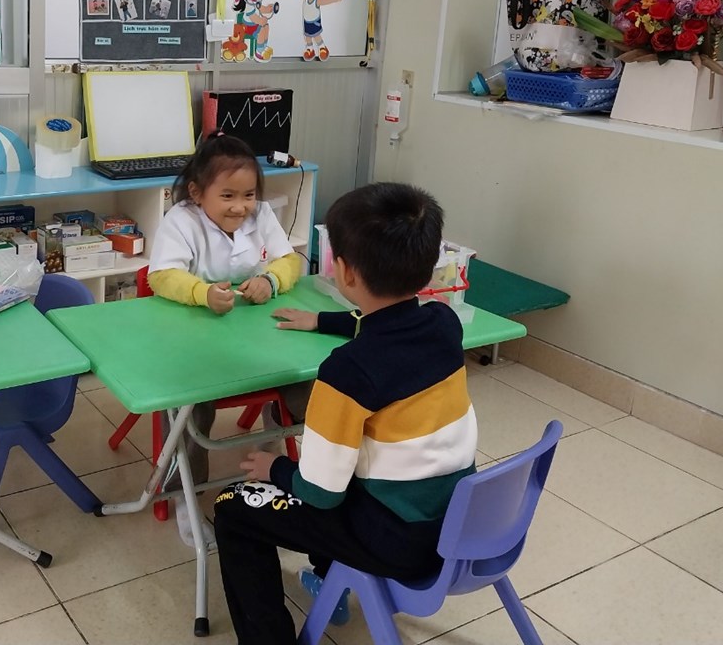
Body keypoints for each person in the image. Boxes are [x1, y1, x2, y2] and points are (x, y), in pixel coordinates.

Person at [212, 183, 477, 645]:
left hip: (397, 542)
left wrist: (276, 469)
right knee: (355, 463)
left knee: (234, 507)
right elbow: (387, 324)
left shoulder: (346, 373)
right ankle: (330, 580)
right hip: (455, 525)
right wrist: (323, 321)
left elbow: (319, 493)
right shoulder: (443, 323)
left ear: (344, 271)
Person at [147, 133, 310, 548]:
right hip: (192, 340)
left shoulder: (260, 217)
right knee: (188, 404)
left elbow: (289, 260)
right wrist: (201, 292)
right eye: (228, 196)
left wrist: (271, 280)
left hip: (255, 338)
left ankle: (275, 450)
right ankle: (185, 497)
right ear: (197, 193)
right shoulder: (181, 220)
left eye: (249, 195)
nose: (241, 207)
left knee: (305, 380)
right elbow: (161, 276)